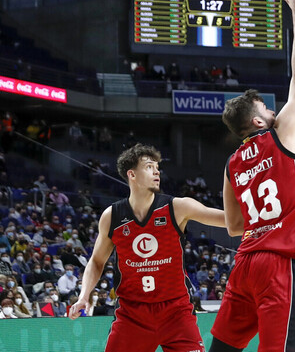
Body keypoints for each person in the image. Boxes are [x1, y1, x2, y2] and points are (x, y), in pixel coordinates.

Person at [209, 0, 295, 352]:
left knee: (222, 347)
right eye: (267, 108)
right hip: (279, 264)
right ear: (257, 121)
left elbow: (235, 226)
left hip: (245, 264)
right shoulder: (280, 132)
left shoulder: (232, 162)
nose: (274, 110)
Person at [68, 144, 226, 352]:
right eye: (149, 166)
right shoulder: (112, 216)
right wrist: (84, 296)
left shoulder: (177, 207)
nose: (157, 171)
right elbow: (97, 262)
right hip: (132, 315)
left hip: (176, 313)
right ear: (131, 174)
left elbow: (229, 221)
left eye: (157, 167)